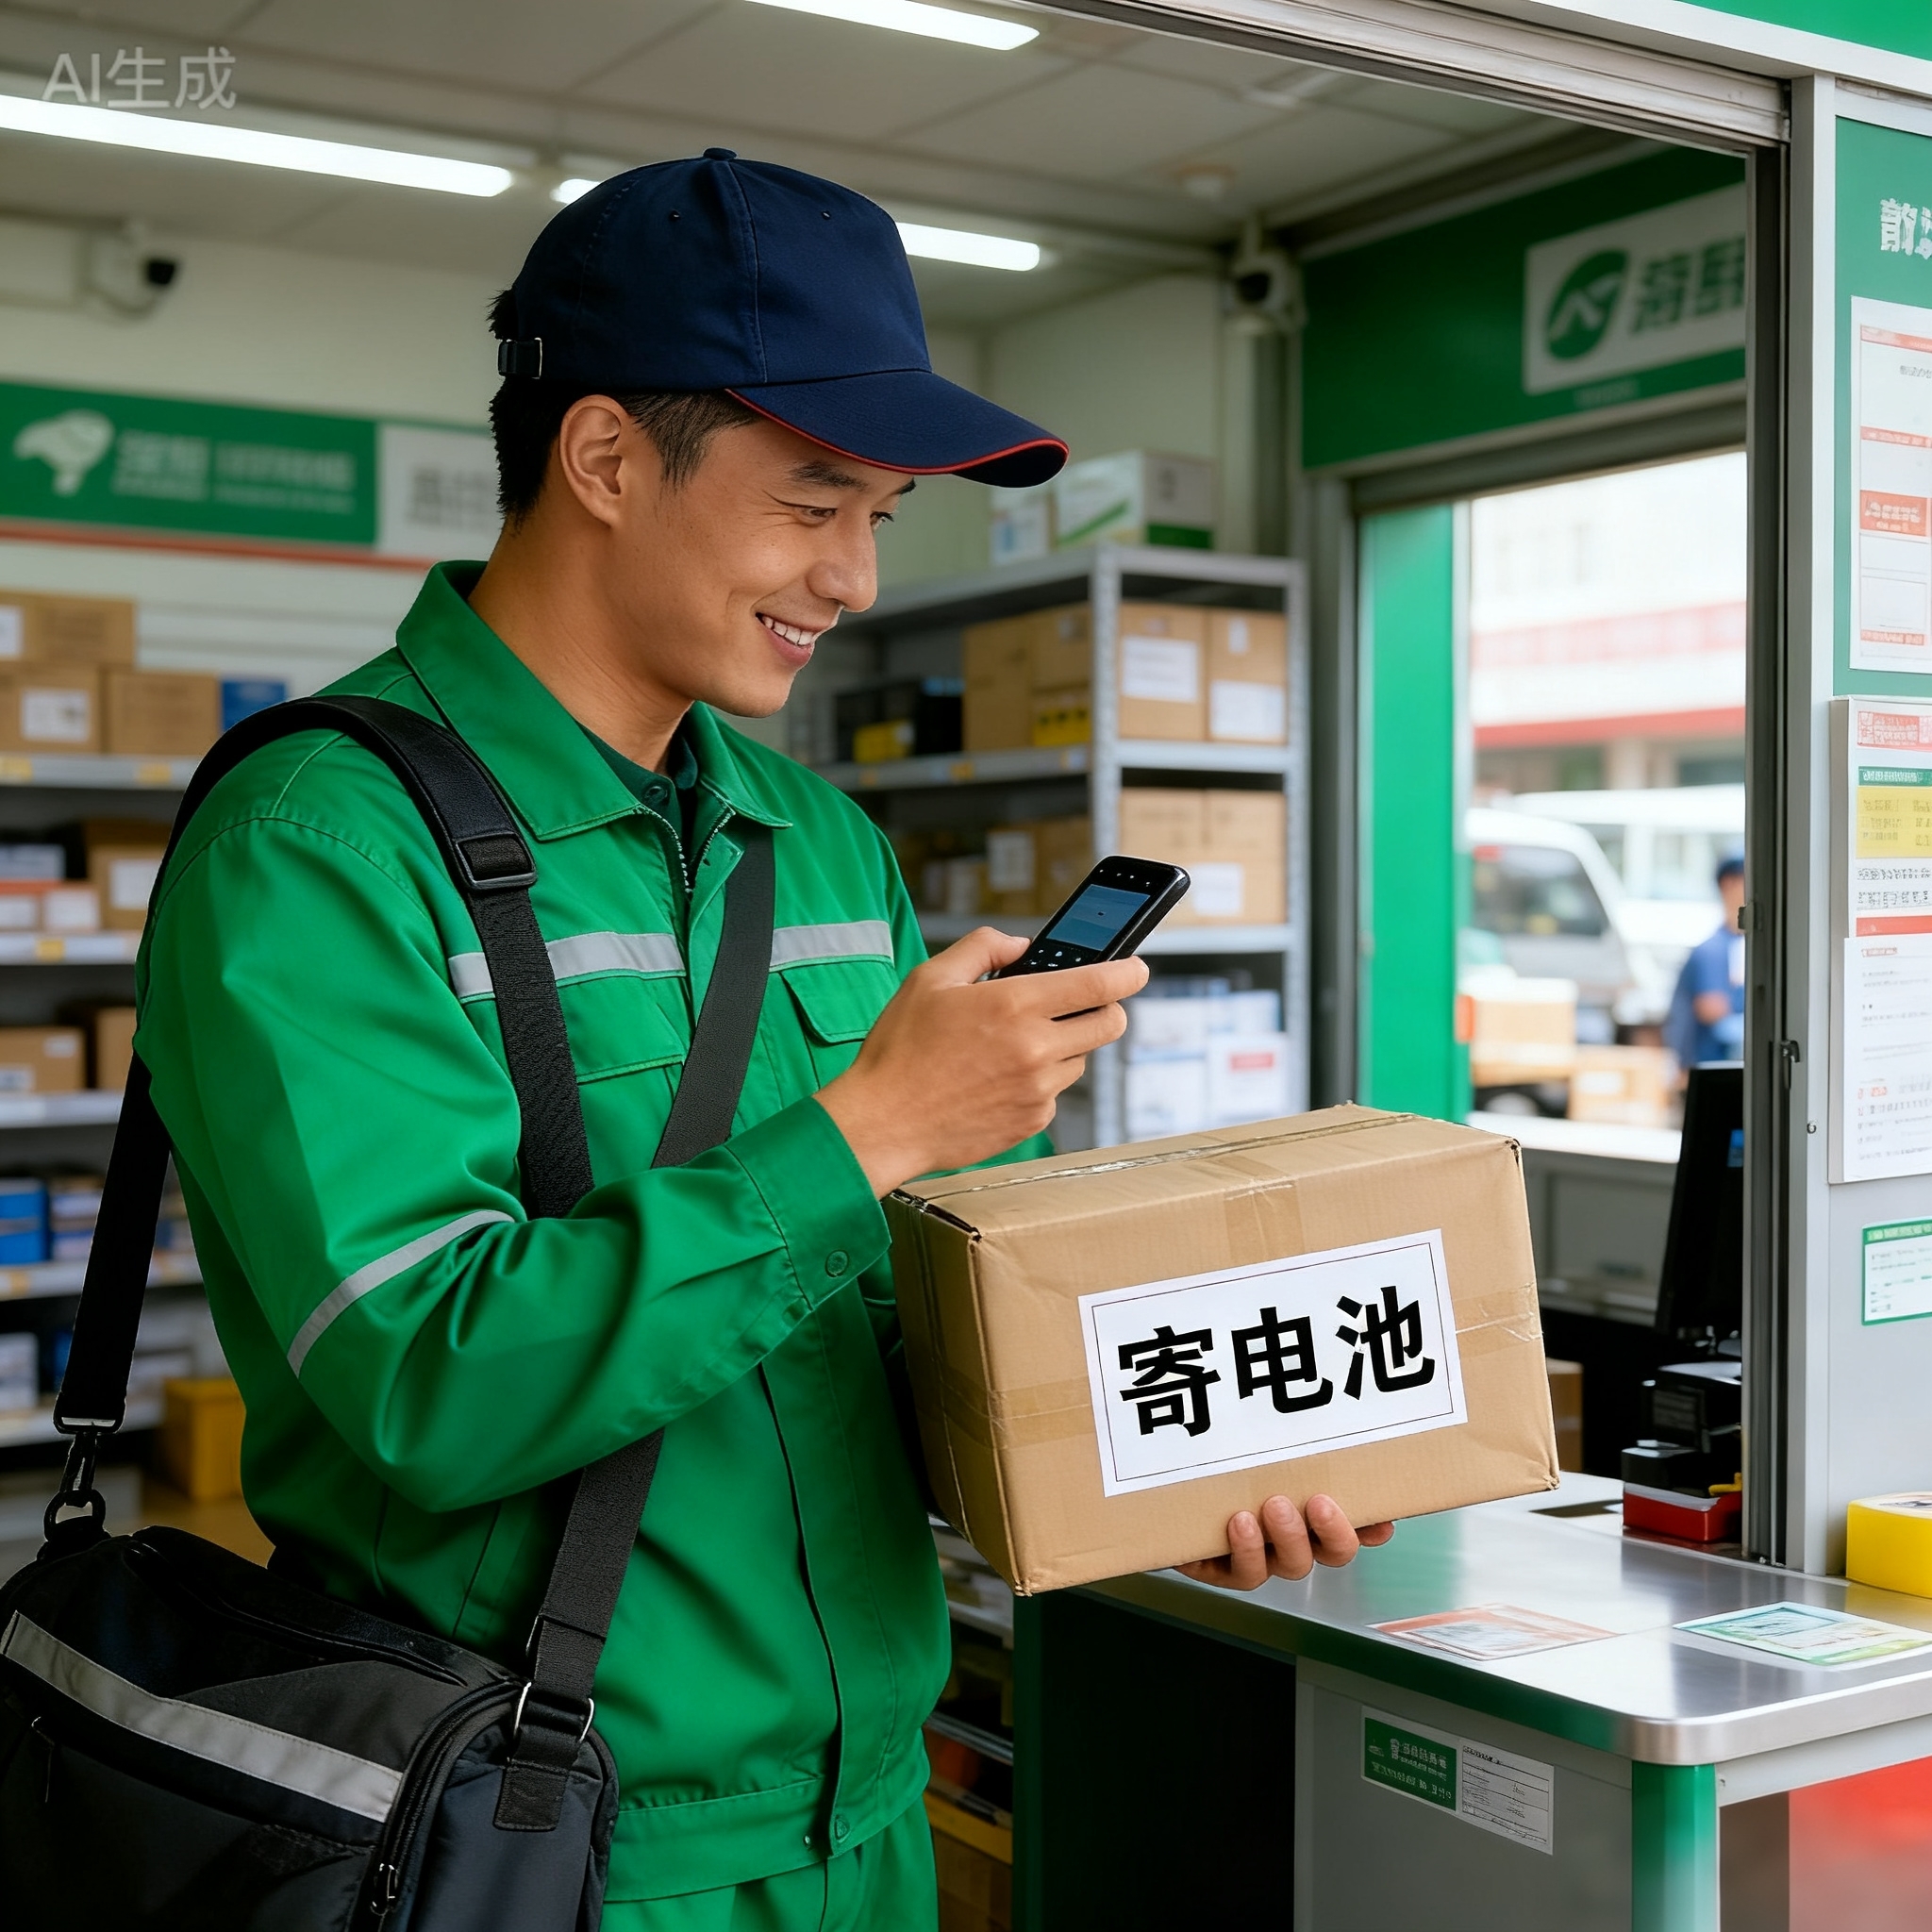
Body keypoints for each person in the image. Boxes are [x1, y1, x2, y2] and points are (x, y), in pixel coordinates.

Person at [137, 151, 1389, 1931]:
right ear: (603, 458)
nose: (857, 575)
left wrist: (1176, 1457)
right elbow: (424, 1375)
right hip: (542, 1845)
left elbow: (940, 1315)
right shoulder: (320, 848)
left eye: (878, 512)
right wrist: (862, 1130)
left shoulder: (817, 842)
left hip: (866, 1819)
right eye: (814, 501)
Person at [1666, 852, 1746, 1074]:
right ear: (1729, 884)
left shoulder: (1743, 944)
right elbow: (1712, 1008)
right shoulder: (1713, 950)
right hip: (1710, 1071)